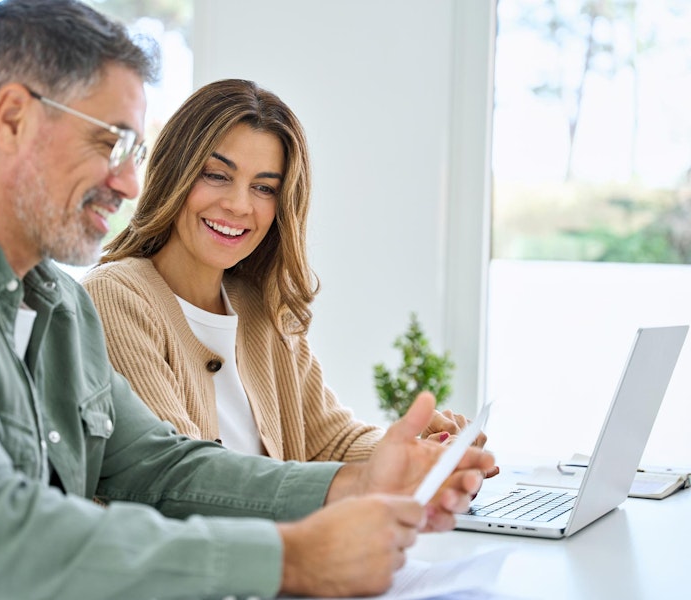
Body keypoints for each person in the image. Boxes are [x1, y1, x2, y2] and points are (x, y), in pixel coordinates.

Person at [0, 1, 496, 599]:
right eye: (109, 143)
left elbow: (163, 468)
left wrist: (358, 483)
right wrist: (289, 558)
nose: (129, 182)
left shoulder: (59, 308)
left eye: (133, 152)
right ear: (14, 118)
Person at [83, 78, 486, 462]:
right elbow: (180, 475)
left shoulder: (261, 308)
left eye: (264, 188)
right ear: (173, 172)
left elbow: (332, 442)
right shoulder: (115, 297)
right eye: (217, 175)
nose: (240, 205)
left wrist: (418, 454)